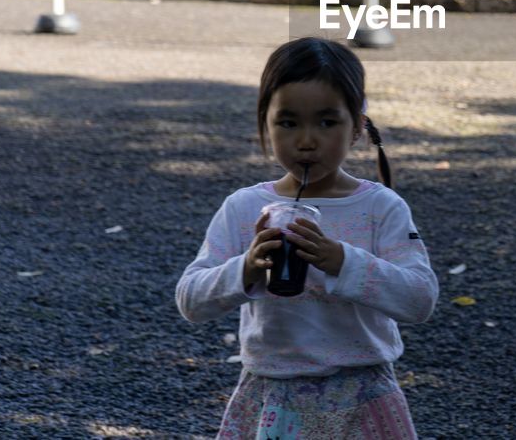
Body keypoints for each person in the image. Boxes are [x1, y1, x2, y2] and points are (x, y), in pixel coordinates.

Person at [176, 37, 437, 438]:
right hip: (272, 395)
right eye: (288, 122)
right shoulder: (245, 207)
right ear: (265, 123)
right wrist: (245, 269)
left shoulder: (381, 207)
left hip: (362, 393)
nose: (306, 140)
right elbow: (191, 300)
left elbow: (419, 299)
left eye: (327, 122)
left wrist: (342, 261)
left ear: (357, 129)